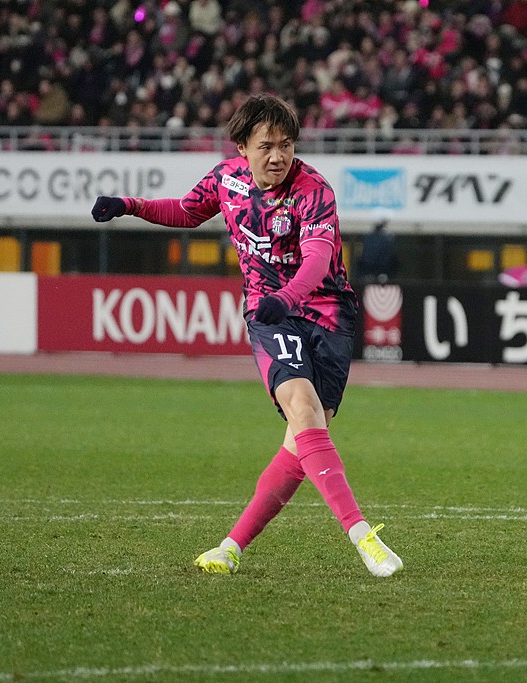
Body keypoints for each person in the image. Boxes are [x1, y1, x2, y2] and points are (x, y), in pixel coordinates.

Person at [90, 94, 403, 578]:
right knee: (303, 409)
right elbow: (186, 211)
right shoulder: (226, 179)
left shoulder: (313, 189)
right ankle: (363, 537)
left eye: (286, 145)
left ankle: (230, 547)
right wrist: (129, 205)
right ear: (242, 147)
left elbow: (319, 257)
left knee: (302, 441)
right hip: (270, 315)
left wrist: (289, 296)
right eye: (266, 146)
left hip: (327, 315)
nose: (278, 156)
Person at [356, 213, 398, 284]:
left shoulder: (368, 237)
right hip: (381, 273)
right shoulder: (387, 239)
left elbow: (362, 257)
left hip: (370, 273)